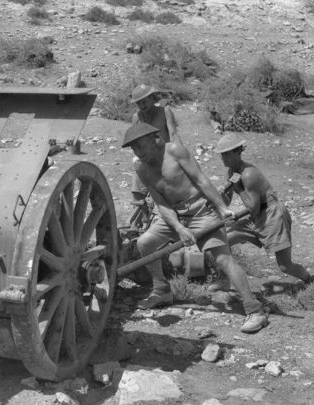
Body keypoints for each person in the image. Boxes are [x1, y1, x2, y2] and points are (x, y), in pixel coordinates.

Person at [121, 122, 269, 334]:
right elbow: (161, 203)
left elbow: (201, 180)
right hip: (173, 215)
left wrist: (221, 208)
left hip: (201, 211)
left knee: (222, 259)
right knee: (145, 243)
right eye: (134, 149)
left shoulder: (175, 151)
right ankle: (162, 290)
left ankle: (255, 311)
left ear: (154, 139)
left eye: (140, 146)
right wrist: (180, 228)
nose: (138, 152)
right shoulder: (142, 170)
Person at [208, 134, 313, 291]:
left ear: (238, 152)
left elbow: (254, 207)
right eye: (221, 154)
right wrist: (219, 201)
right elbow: (227, 201)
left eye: (226, 154)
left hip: (272, 216)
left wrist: (239, 190)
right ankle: (224, 280)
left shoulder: (249, 174)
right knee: (222, 242)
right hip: (254, 217)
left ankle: (310, 281)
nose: (223, 158)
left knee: (285, 266)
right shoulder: (231, 172)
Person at [129, 85, 179, 205]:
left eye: (144, 102)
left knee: (169, 192)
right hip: (145, 160)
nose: (142, 106)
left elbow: (173, 134)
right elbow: (134, 142)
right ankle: (138, 218)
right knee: (138, 194)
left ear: (151, 98)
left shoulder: (165, 112)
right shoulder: (137, 117)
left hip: (164, 158)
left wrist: (178, 154)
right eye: (138, 104)